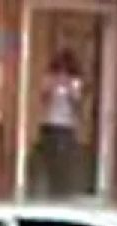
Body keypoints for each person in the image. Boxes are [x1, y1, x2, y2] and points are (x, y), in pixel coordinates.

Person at [35, 49, 86, 198]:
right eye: (59, 68)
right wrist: (52, 86)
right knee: (50, 158)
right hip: (50, 123)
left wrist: (69, 88)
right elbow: (44, 98)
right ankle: (50, 188)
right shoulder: (50, 79)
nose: (62, 73)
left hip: (66, 126)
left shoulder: (75, 82)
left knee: (64, 160)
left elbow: (77, 103)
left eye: (65, 69)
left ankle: (62, 190)